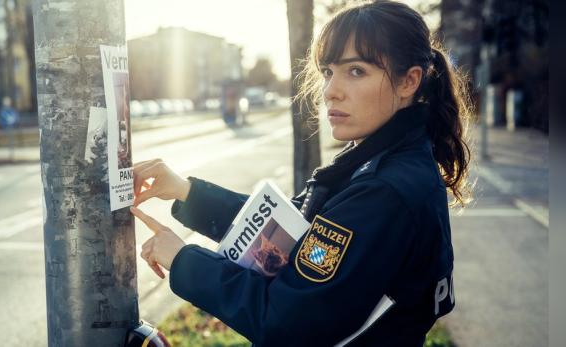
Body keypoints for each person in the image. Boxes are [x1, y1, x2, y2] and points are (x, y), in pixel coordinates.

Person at [130, 1, 472, 345]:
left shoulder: (384, 191)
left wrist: (182, 259)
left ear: (409, 81)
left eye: (356, 71)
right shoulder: (383, 160)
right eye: (328, 71)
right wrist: (186, 191)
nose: (330, 91)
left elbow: (283, 321)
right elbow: (286, 229)